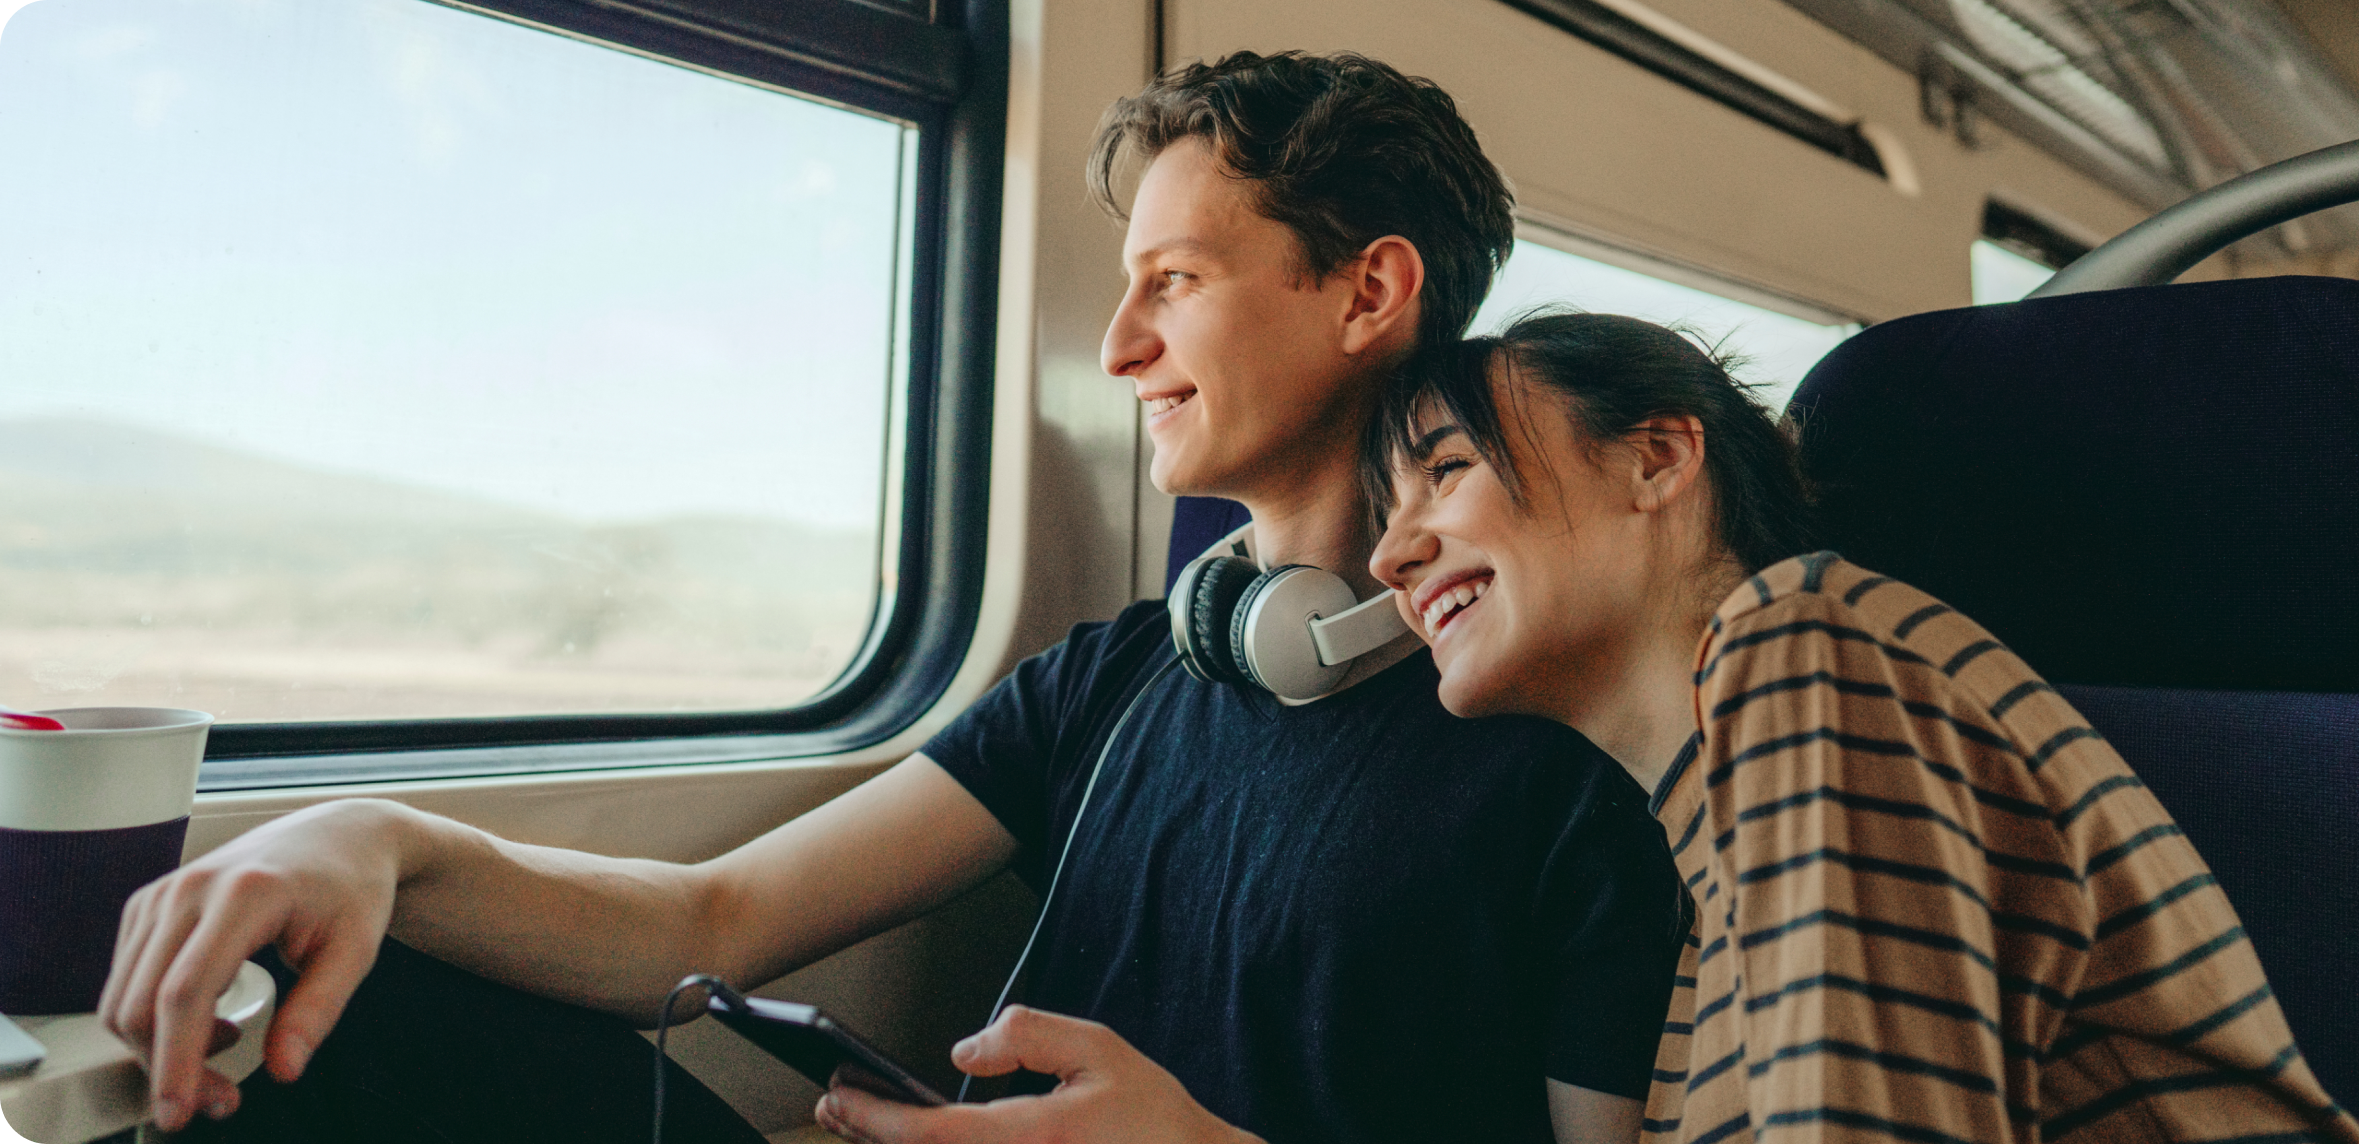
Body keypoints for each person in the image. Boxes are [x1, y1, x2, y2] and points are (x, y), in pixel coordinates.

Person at [107, 55, 1683, 1144]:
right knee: (367, 1009)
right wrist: (378, 838)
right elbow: (711, 926)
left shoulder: (1561, 738)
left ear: (1368, 292)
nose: (1124, 346)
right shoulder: (1124, 678)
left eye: (1177, 283)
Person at [837, 311, 2359, 1144]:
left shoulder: (1806, 658)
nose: (1390, 554)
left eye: (1444, 473)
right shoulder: (1707, 822)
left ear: (1659, 460)